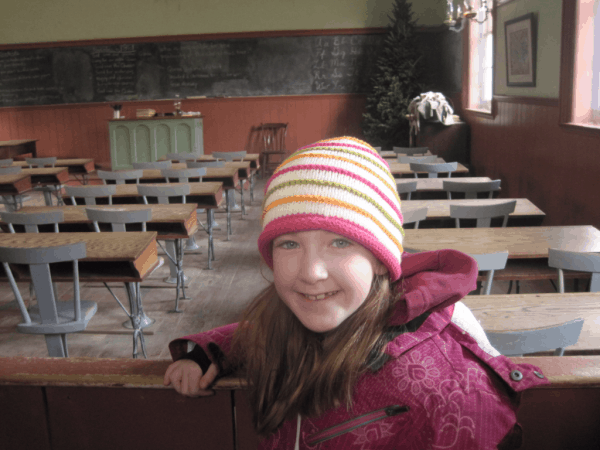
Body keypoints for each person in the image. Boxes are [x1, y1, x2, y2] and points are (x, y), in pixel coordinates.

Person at [164, 136, 549, 449]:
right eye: (289, 244)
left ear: (383, 260)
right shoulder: (309, 312)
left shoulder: (445, 396)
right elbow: (262, 331)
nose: (311, 274)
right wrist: (206, 352)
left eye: (340, 243)